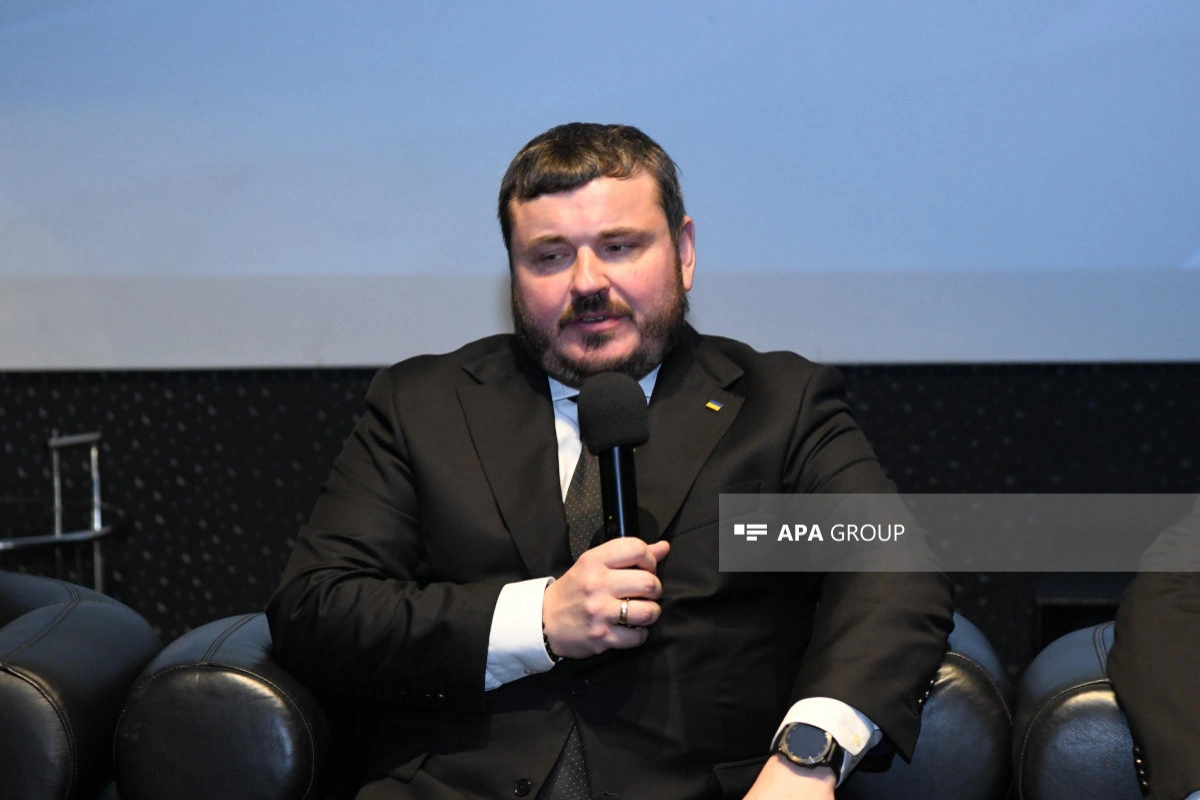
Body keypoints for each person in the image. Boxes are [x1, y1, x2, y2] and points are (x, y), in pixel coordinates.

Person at [266, 122, 954, 799]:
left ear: (684, 251)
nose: (588, 282)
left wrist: (810, 754)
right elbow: (317, 608)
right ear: (513, 272)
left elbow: (894, 571)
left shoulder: (778, 406)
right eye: (550, 256)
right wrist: (538, 619)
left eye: (619, 247)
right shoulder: (424, 405)